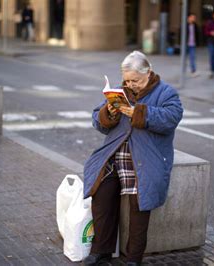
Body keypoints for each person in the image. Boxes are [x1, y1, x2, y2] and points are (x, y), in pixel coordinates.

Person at [82, 51, 183, 265]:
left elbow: (171, 118)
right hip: (115, 156)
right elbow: (97, 121)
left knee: (139, 205)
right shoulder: (121, 92)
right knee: (101, 196)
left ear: (148, 73)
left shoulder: (166, 92)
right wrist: (109, 112)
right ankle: (102, 250)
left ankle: (134, 258)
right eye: (127, 80)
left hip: (147, 159)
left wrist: (137, 113)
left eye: (135, 80)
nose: (131, 84)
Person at [204, 11, 214, 78]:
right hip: (211, 41)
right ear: (213, 15)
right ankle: (212, 70)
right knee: (212, 55)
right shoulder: (209, 23)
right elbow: (206, 32)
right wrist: (211, 33)